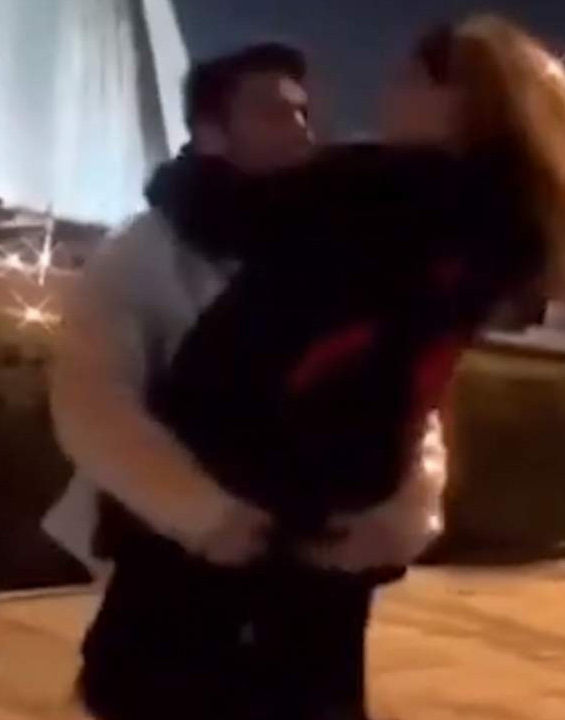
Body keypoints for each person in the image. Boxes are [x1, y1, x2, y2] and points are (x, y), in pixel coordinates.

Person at [45, 41, 451, 720]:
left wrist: (401, 515)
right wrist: (207, 516)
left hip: (321, 588)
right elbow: (93, 400)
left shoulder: (348, 247)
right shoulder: (144, 254)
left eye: (303, 112)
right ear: (211, 132)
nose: (300, 129)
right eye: (272, 112)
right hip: (178, 577)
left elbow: (406, 395)